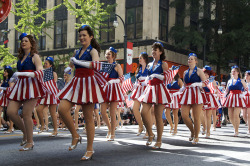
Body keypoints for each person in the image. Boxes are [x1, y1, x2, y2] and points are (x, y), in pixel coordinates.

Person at [57, 25, 105, 160]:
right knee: (62, 109)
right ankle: (75, 135)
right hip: (76, 82)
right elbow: (71, 66)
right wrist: (68, 68)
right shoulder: (76, 51)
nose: (82, 37)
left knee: (88, 117)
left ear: (91, 37)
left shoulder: (93, 51)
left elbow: (95, 64)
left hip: (88, 83)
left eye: (84, 35)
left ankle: (90, 149)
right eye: (80, 35)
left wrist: (77, 61)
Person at [7, 33, 45, 151]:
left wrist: (23, 74)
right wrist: (14, 77)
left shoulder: (35, 56)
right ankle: (25, 133)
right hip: (20, 87)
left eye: (26, 41)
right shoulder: (21, 57)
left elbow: (40, 72)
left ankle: (30, 141)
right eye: (22, 41)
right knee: (10, 111)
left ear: (31, 43)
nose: (23, 43)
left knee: (26, 114)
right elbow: (18, 74)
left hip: (32, 87)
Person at [139, 42, 171, 149]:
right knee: (143, 112)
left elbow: (167, 78)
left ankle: (159, 140)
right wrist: (145, 80)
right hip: (150, 89)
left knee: (158, 117)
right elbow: (148, 77)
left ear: (160, 52)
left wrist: (157, 75)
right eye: (152, 50)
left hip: (160, 89)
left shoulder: (164, 64)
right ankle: (150, 133)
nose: (153, 52)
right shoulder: (149, 64)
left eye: (155, 50)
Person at [179, 53, 207, 144]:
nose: (189, 60)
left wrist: (198, 84)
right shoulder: (185, 72)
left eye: (191, 59)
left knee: (196, 117)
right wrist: (180, 90)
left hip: (196, 94)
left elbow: (205, 83)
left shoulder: (199, 71)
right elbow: (184, 85)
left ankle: (196, 136)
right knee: (184, 115)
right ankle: (192, 131)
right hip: (187, 94)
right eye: (188, 59)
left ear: (196, 61)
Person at [100, 47, 124, 141]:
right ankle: (110, 128)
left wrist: (114, 81)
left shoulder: (117, 66)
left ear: (113, 56)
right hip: (106, 89)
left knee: (112, 112)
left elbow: (122, 79)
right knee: (102, 112)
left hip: (114, 89)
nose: (107, 56)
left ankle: (113, 134)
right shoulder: (104, 66)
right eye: (106, 54)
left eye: (109, 54)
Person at [36, 57, 60, 137]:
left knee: (53, 113)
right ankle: (42, 125)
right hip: (44, 94)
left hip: (52, 94)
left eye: (46, 63)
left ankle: (55, 130)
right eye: (44, 63)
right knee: (38, 109)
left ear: (50, 65)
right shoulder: (42, 73)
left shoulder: (53, 73)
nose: (44, 65)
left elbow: (54, 85)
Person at [222, 66, 248, 136]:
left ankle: (236, 130)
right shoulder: (229, 81)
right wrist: (223, 95)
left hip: (238, 98)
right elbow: (227, 90)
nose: (233, 72)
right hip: (231, 97)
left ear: (238, 72)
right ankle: (235, 128)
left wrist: (243, 94)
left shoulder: (241, 80)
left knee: (236, 115)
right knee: (230, 117)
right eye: (232, 71)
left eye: (234, 71)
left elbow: (246, 89)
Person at [130, 52, 149, 136]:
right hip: (138, 89)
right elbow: (137, 80)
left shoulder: (149, 69)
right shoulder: (138, 69)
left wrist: (146, 82)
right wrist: (135, 84)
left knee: (145, 112)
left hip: (146, 90)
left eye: (141, 58)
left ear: (144, 59)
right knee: (134, 108)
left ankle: (148, 131)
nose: (139, 59)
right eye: (139, 58)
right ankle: (141, 126)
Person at [202, 65, 220, 138]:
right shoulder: (201, 80)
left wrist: (215, 92)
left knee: (208, 116)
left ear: (209, 74)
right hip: (202, 97)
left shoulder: (212, 80)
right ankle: (204, 127)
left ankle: (208, 132)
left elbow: (216, 90)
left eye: (206, 74)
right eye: (204, 73)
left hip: (209, 97)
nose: (205, 75)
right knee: (203, 115)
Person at [0, 66, 14, 134]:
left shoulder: (11, 79)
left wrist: (2, 87)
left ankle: (11, 127)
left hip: (9, 96)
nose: (4, 72)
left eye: (5, 71)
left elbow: (11, 88)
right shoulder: (4, 80)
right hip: (4, 96)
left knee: (9, 112)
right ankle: (1, 125)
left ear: (8, 72)